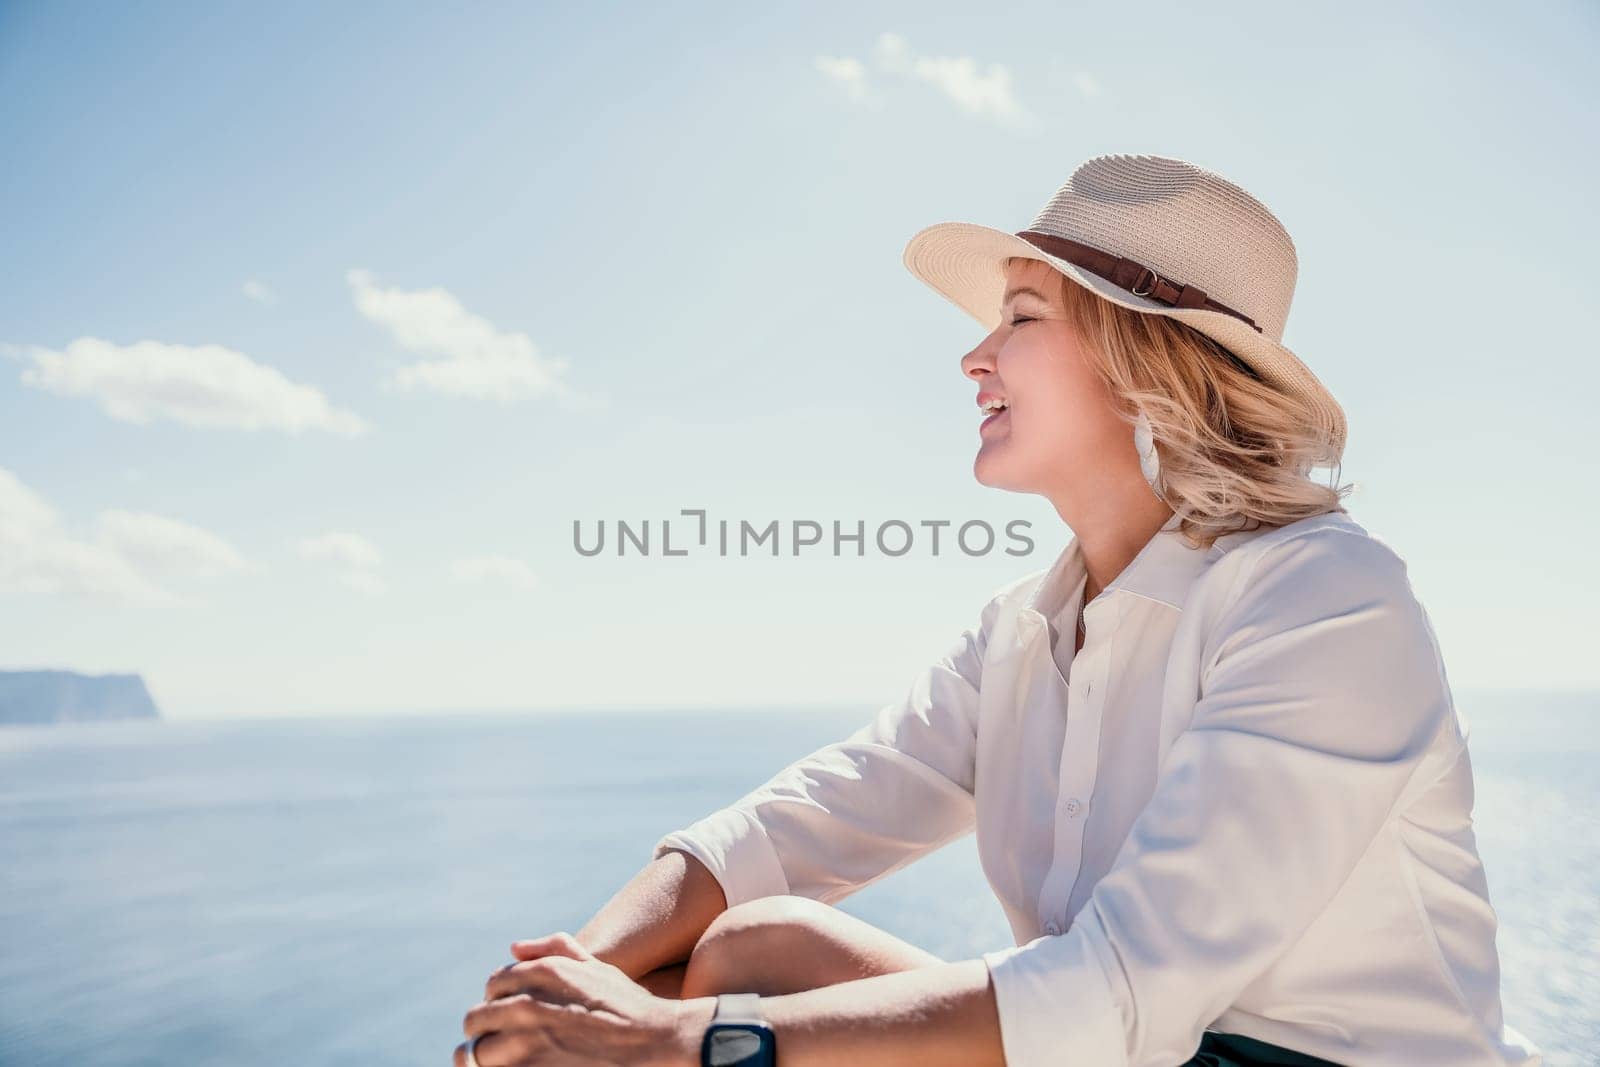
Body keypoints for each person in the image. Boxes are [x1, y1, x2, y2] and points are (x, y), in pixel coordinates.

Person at [454, 154, 1543, 1067]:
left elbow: (1122, 987)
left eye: (1020, 315)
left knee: (718, 993)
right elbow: (800, 824)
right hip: (1127, 1047)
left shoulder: (1326, 597)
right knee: (743, 942)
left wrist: (682, 1037)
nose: (973, 356)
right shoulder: (1023, 626)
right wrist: (572, 972)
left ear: (1141, 361)